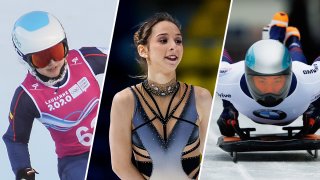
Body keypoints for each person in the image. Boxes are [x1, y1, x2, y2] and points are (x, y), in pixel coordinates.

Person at [2, 11, 107, 180]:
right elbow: (15, 139)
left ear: (65, 45)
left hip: (113, 136)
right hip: (76, 160)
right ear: (26, 60)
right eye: (41, 58)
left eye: (57, 51)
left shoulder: (85, 59)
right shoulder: (27, 96)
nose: (52, 63)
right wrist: (23, 170)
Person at [109, 12, 212, 179]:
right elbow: (120, 165)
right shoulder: (124, 101)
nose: (174, 46)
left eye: (178, 41)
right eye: (163, 40)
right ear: (143, 50)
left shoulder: (201, 97)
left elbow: (211, 160)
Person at [216, 12, 320, 138]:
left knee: (301, 70)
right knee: (303, 72)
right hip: (298, 98)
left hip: (302, 78)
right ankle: (287, 39)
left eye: (277, 81)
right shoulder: (228, 79)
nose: (269, 91)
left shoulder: (310, 80)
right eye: (262, 81)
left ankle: (291, 40)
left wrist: (316, 107)